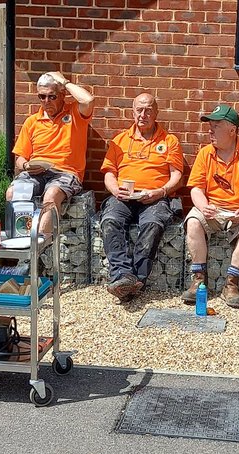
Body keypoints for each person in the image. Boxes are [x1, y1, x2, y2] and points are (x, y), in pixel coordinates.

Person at [181, 104, 239, 309]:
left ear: (232, 130)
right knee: (193, 220)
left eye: (216, 126)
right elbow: (195, 189)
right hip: (213, 209)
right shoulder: (205, 153)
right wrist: (203, 207)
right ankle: (198, 279)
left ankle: (231, 283)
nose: (210, 131)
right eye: (210, 126)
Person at [100, 93, 185, 303]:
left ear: (156, 113)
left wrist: (161, 192)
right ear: (133, 111)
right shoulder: (119, 140)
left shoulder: (169, 141)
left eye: (148, 110)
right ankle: (121, 275)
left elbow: (177, 175)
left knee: (153, 224)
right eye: (139, 109)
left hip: (154, 198)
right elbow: (109, 172)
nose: (143, 114)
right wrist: (114, 190)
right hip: (123, 196)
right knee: (110, 221)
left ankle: (136, 280)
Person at [9, 71, 95, 237]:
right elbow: (20, 158)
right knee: (13, 192)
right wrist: (26, 166)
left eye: (52, 96)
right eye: (42, 97)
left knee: (52, 194)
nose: (46, 101)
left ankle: (40, 244)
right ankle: (17, 241)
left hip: (66, 173)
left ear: (62, 95)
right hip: (36, 172)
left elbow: (88, 100)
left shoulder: (74, 113)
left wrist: (64, 81)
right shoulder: (32, 121)